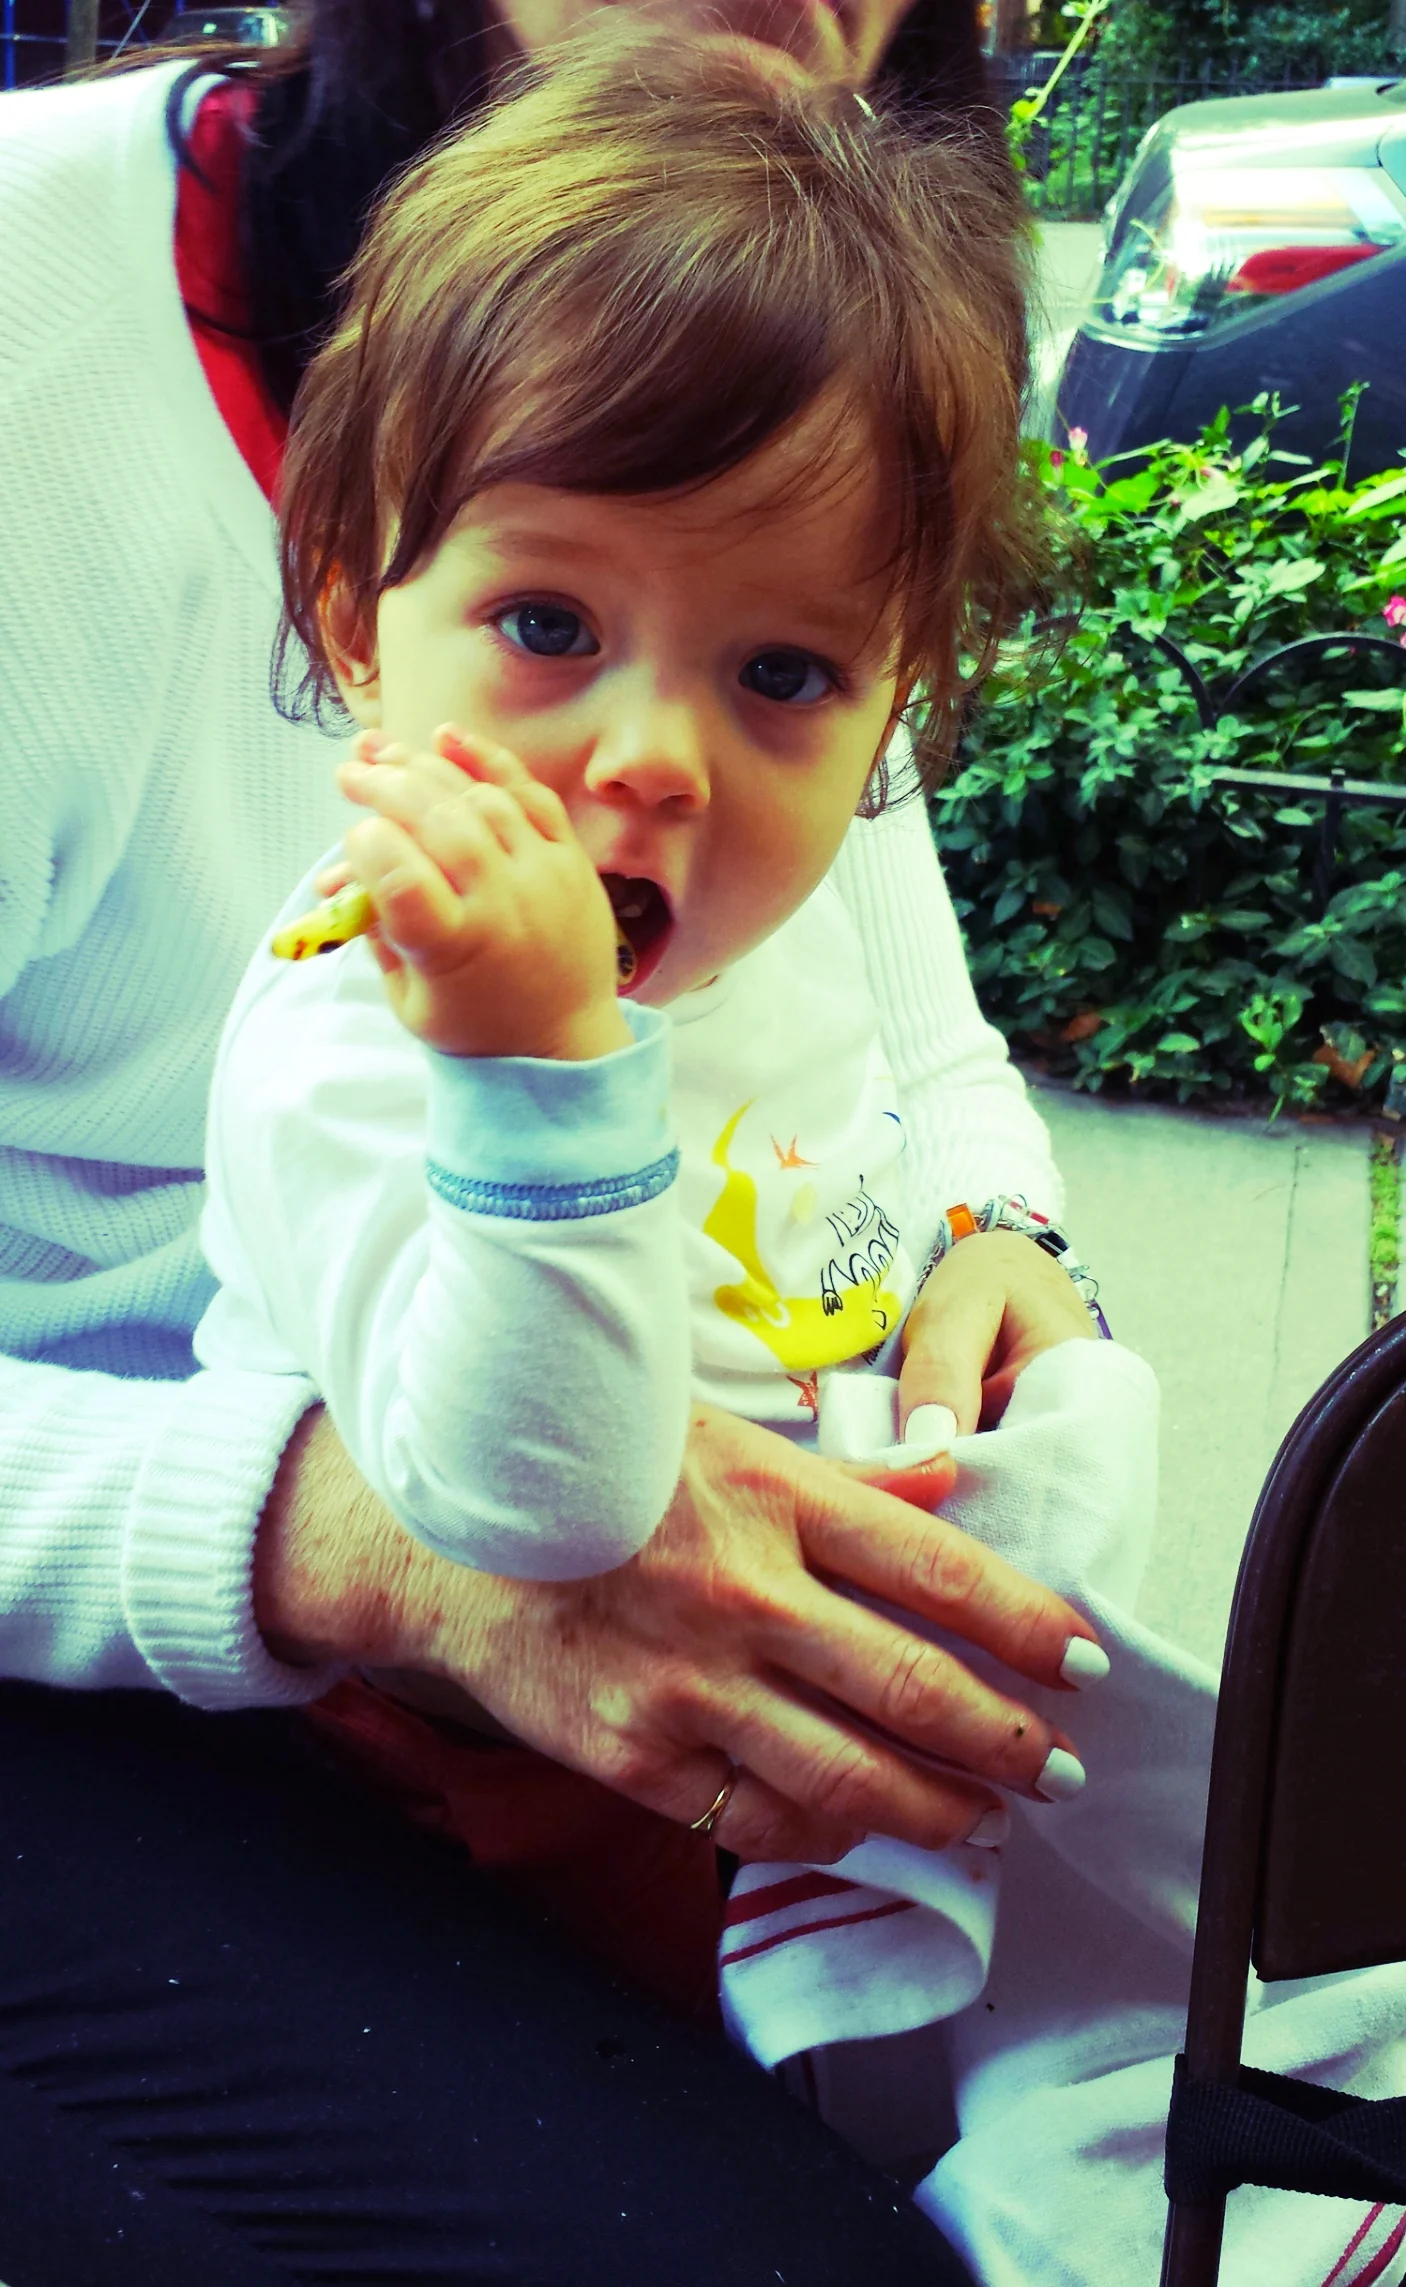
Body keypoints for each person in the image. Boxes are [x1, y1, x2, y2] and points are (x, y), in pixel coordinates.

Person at [0, 3, 1097, 2277]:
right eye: (540, 622)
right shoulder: (43, 339)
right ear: (354, 600)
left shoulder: (771, 417)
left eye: (787, 677)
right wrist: (357, 1554)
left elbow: (899, 1030)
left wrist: (999, 1241)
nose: (656, 759)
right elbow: (515, 1491)